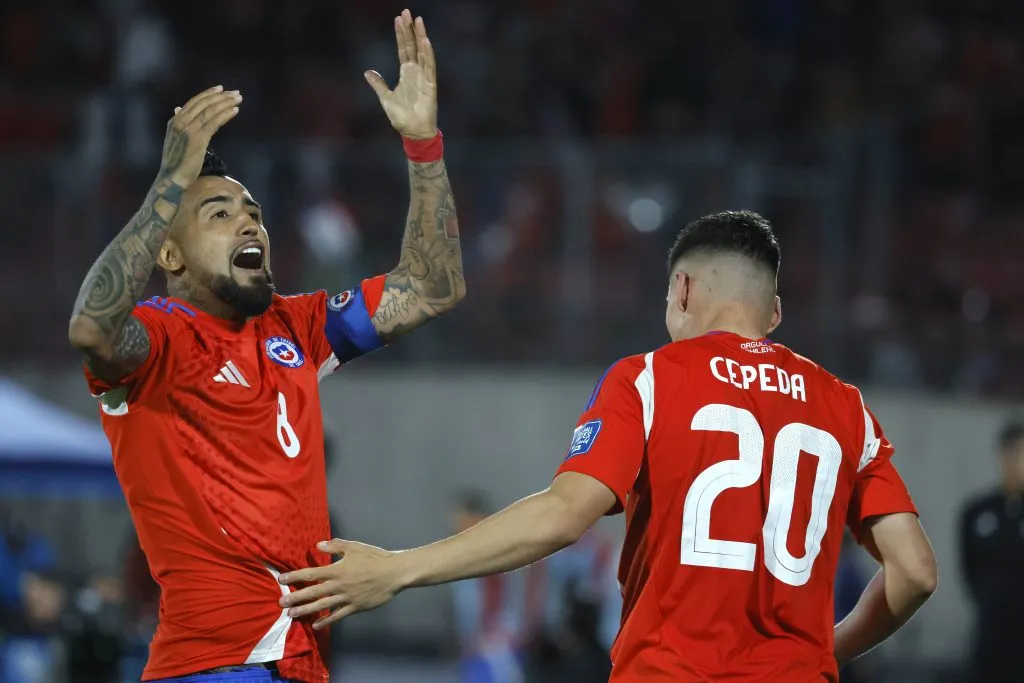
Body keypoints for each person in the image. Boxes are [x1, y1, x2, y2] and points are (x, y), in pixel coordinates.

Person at [279, 211, 937, 682]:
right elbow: (914, 572)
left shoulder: (649, 379)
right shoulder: (847, 407)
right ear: (774, 312)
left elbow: (566, 514)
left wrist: (398, 568)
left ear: (682, 290)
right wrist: (830, 649)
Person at [67, 10, 463, 683]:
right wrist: (168, 184)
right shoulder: (158, 340)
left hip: (301, 664)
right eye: (218, 213)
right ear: (171, 251)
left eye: (252, 210)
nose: (248, 220)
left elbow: (431, 287)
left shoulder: (294, 326)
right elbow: (91, 328)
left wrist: (423, 143)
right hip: (213, 665)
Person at [958, 420, 1024, 683]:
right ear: (1004, 456)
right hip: (989, 635)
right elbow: (968, 569)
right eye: (1017, 454)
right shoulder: (977, 512)